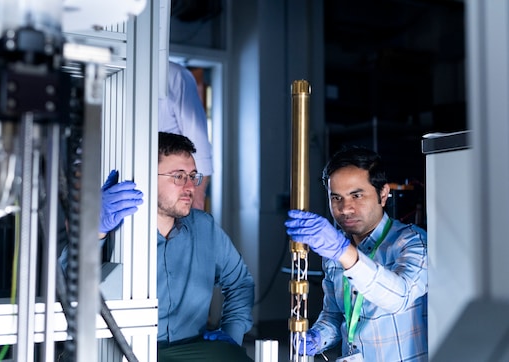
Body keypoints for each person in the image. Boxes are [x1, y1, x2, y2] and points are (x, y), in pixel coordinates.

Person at [285, 146, 427, 361]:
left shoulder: (412, 242)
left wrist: (344, 253)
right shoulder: (335, 253)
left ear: (383, 194)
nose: (345, 209)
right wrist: (317, 336)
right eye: (336, 198)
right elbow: (334, 315)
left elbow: (400, 297)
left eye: (356, 195)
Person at [156, 131, 254, 361]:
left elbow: (240, 282)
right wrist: (96, 233)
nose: (190, 186)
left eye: (192, 176)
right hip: (127, 348)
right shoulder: (119, 232)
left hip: (193, 351)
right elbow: (66, 283)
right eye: (178, 176)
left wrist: (232, 334)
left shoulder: (204, 227)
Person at [159, 61, 213, 210]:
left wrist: (195, 211)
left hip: (173, 187)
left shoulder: (175, 76)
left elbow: (200, 150)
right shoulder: (118, 71)